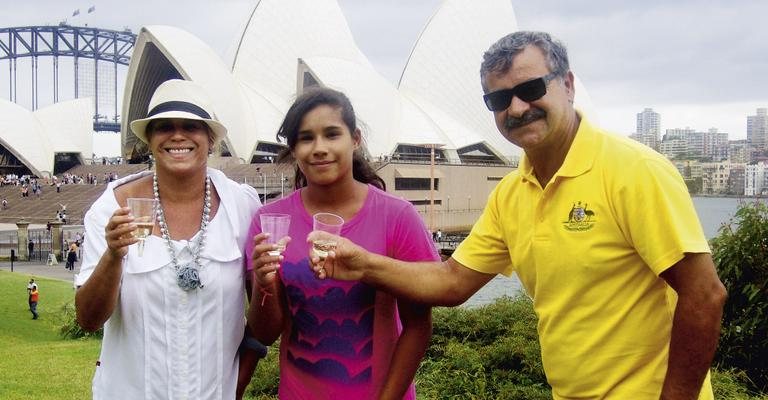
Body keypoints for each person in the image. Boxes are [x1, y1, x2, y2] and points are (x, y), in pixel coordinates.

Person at [308, 32, 727, 400]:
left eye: (530, 88)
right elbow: (452, 282)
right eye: (499, 98)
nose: (518, 107)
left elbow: (704, 295)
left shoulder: (633, 171)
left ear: (567, 84)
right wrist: (361, 263)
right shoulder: (512, 193)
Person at [74, 79, 262, 400]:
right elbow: (88, 319)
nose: (178, 136)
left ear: (211, 139)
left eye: (191, 126)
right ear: (149, 139)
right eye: (164, 127)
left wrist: (238, 385)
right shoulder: (110, 209)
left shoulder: (241, 205)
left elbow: (261, 315)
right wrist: (113, 255)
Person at [246, 87, 436, 399]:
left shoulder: (397, 217)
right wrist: (264, 282)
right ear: (293, 148)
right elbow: (265, 333)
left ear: (355, 139)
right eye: (306, 138)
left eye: (332, 134)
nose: (319, 148)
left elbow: (418, 326)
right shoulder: (270, 220)